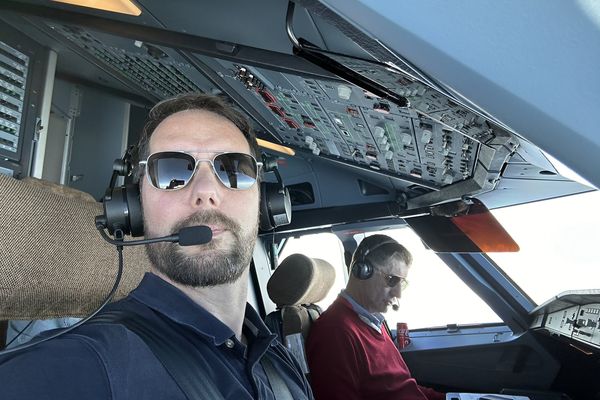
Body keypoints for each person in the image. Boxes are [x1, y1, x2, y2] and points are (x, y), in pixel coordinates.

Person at [0, 93, 312, 400]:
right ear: (134, 207)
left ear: (264, 201)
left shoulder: (279, 360)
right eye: (173, 172)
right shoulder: (84, 363)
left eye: (233, 169)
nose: (206, 192)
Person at [306, 234, 445, 400]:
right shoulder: (335, 332)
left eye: (402, 283)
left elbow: (404, 387)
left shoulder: (373, 322)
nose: (398, 293)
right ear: (363, 271)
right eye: (392, 280)